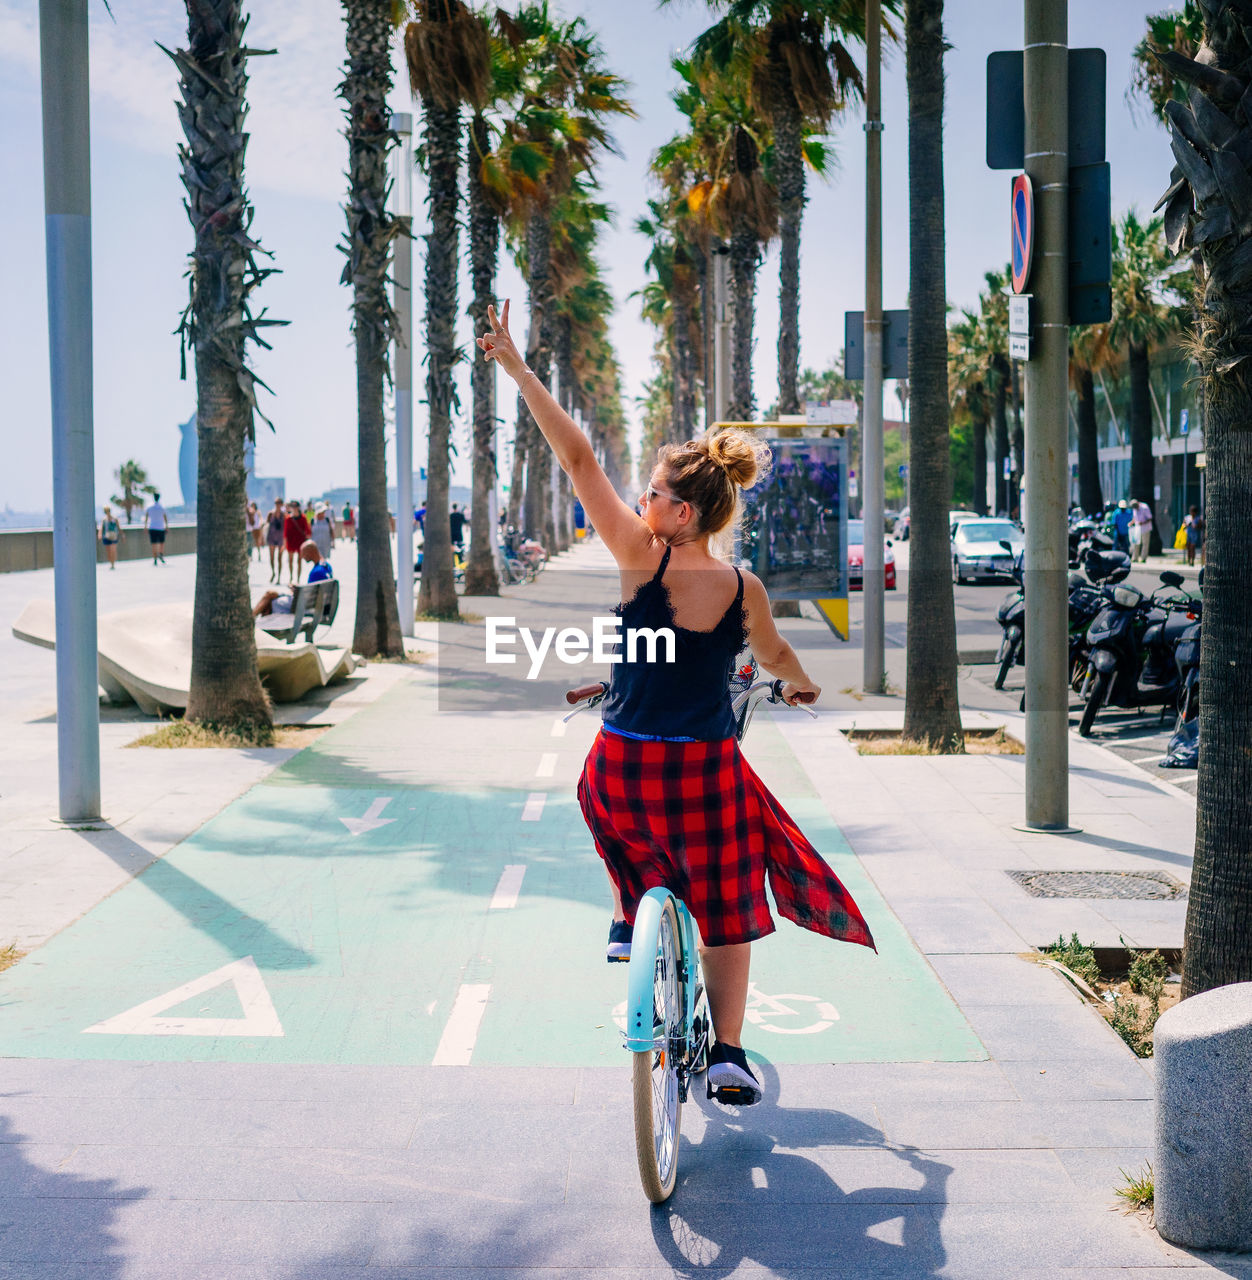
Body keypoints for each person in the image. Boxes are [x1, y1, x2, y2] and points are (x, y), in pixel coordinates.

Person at [477, 300, 875, 1106]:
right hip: (704, 777)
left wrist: (518, 370)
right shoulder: (742, 588)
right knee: (728, 901)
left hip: (623, 768)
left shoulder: (638, 558)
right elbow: (777, 658)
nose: (640, 498)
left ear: (680, 513)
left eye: (652, 491)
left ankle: (630, 914)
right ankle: (728, 1052)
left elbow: (578, 457)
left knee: (604, 806)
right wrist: (799, 684)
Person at [252, 541, 331, 618]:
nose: (302, 556)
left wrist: (297, 590)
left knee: (270, 596)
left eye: (303, 553)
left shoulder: (316, 572)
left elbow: (308, 597)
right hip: (317, 606)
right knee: (271, 596)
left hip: (305, 607)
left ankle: (250, 618)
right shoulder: (326, 566)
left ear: (310, 552)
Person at [284, 502, 311, 584]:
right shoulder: (288, 519)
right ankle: (291, 576)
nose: (294, 508)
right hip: (291, 542)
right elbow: (285, 532)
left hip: (300, 542)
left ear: (298, 507)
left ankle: (298, 579)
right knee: (290, 560)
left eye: (296, 506)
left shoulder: (303, 517)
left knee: (299, 561)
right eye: (293, 506)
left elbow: (307, 530)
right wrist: (285, 544)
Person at [144, 492, 168, 565]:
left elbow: (146, 518)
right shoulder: (162, 507)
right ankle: (160, 554)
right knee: (161, 543)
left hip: (152, 527)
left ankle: (155, 558)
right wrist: (166, 526)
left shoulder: (149, 507)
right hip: (161, 527)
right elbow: (165, 518)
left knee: (154, 544)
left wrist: (145, 526)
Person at [265, 499, 285, 582]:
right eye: (277, 503)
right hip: (272, 536)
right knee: (272, 557)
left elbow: (285, 526)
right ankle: (273, 572)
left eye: (280, 503)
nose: (278, 505)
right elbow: (266, 524)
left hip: (280, 537)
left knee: (279, 558)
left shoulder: (283, 515)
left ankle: (279, 578)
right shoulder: (270, 514)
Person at [98, 505, 121, 569]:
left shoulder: (115, 518)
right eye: (106, 511)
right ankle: (111, 562)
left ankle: (113, 564)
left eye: (108, 511)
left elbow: (119, 527)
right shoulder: (104, 519)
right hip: (106, 537)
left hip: (114, 536)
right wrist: (99, 534)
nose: (107, 512)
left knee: (113, 550)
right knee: (108, 551)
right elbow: (101, 528)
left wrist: (122, 534)